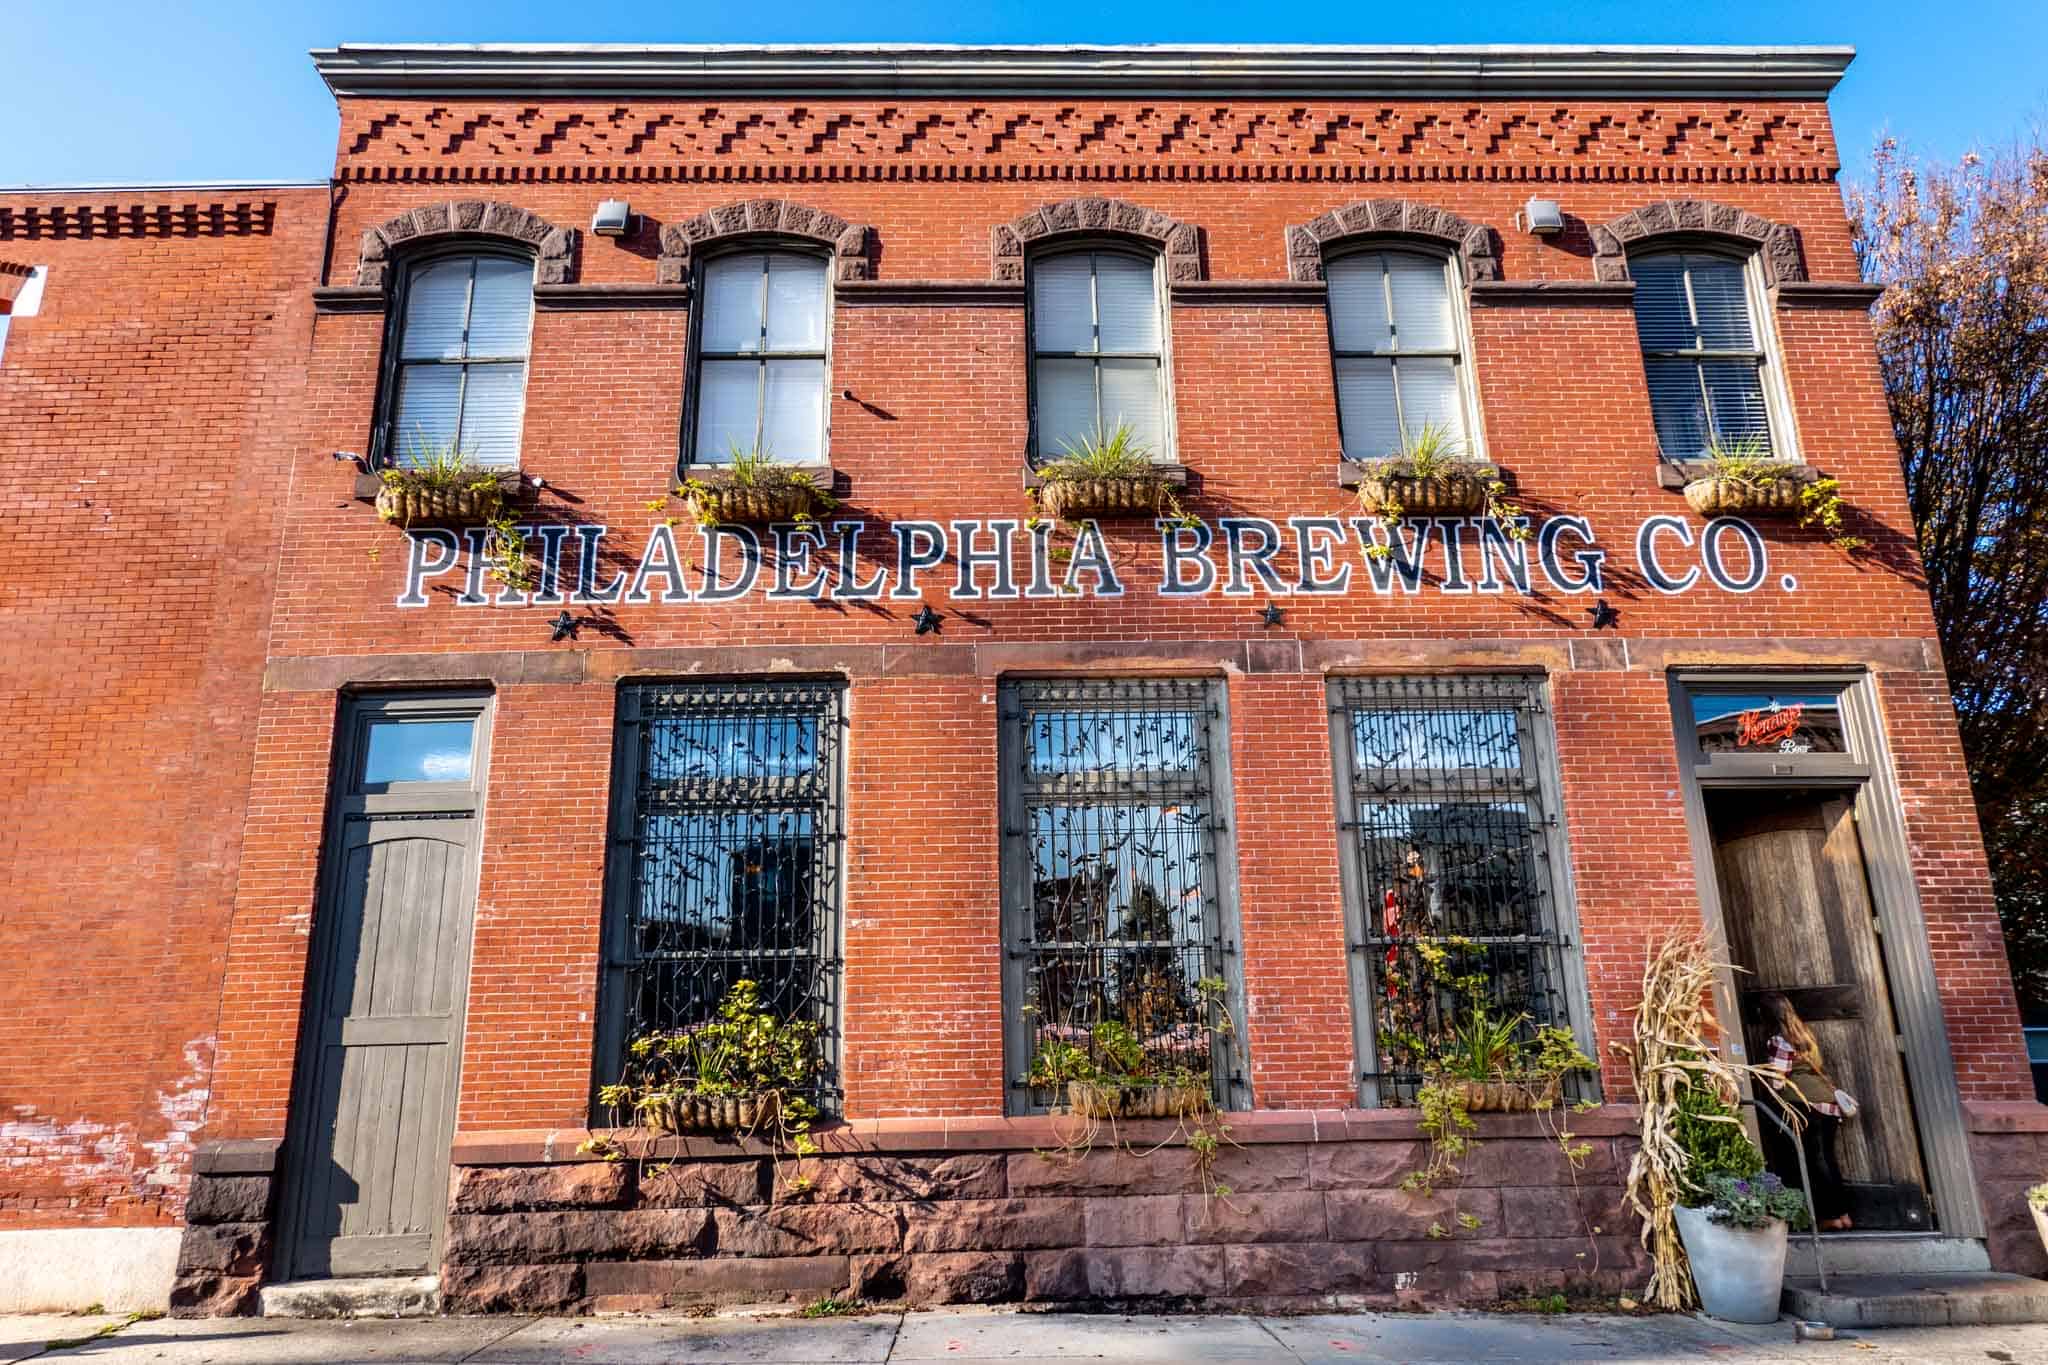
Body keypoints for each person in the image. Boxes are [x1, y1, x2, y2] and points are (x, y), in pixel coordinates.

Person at [1760, 992, 1859, 1231]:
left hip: (1802, 1103)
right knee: (1827, 1158)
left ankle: (1829, 1216)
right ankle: (1843, 1214)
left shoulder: (1778, 1040)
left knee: (1812, 1161)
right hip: (1826, 1102)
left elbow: (1778, 1080)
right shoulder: (1806, 1036)